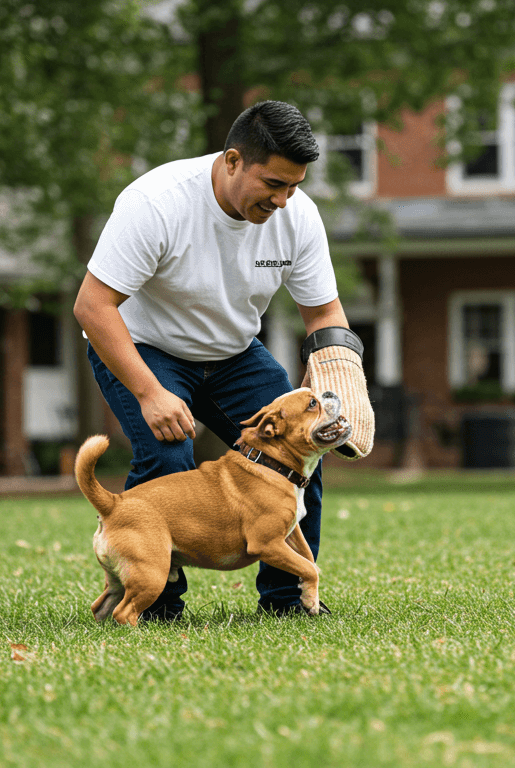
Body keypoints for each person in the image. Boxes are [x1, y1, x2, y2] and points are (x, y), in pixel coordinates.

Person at [73, 100, 352, 621]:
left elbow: (323, 312)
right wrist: (151, 392)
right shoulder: (157, 202)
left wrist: (340, 378)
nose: (284, 200)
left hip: (234, 352)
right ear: (231, 161)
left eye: (294, 186)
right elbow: (92, 307)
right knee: (168, 455)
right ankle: (157, 606)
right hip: (145, 347)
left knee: (301, 456)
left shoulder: (298, 216)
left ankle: (289, 601)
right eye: (273, 184)